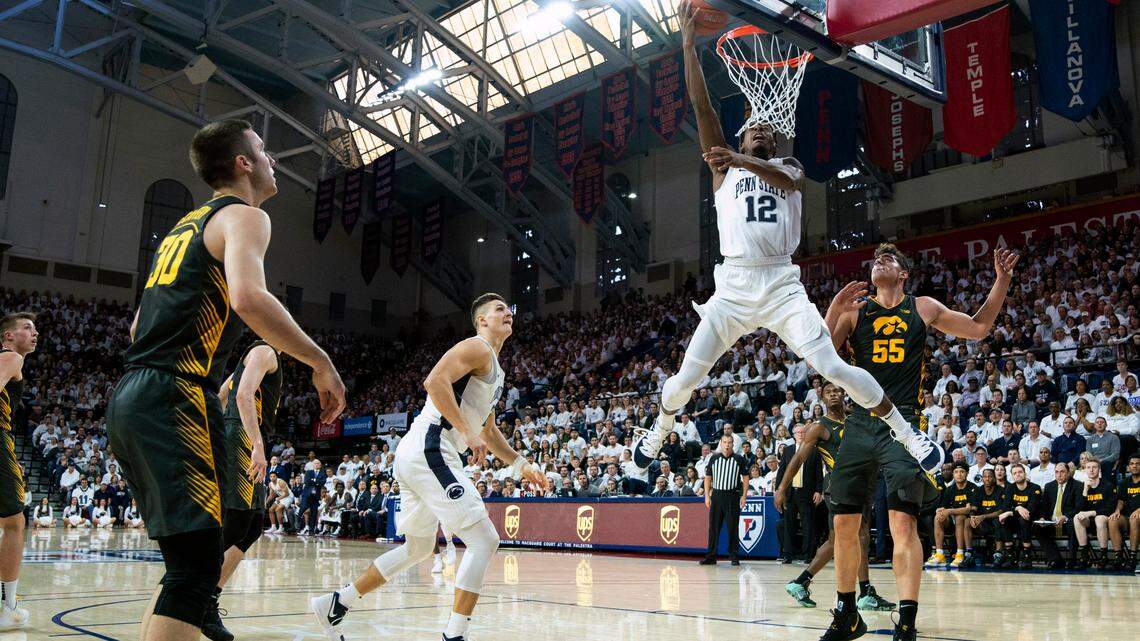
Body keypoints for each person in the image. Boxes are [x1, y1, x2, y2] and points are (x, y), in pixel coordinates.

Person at [633, 2, 948, 504]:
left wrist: (738, 157)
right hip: (734, 288)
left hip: (781, 284)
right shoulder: (723, 170)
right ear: (740, 135)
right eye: (750, 126)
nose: (758, 128)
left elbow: (782, 176)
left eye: (765, 126)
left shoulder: (791, 169)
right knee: (686, 379)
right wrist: (689, 46)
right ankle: (656, 429)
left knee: (834, 368)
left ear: (776, 134)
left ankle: (909, 433)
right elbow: (702, 108)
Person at [106, 119, 346, 641]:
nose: (271, 159)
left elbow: (135, 325)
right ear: (243, 164)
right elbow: (248, 297)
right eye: (263, 150)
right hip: (172, 392)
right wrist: (319, 359)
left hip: (134, 392)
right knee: (196, 569)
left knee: (187, 565)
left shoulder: (186, 225)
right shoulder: (245, 215)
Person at [311, 294, 548, 641]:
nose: (508, 312)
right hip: (431, 445)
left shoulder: (495, 369)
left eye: (508, 308)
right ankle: (455, 635)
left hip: (420, 452)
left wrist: (520, 464)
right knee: (484, 540)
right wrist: (466, 431)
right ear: (481, 320)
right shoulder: (477, 347)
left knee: (418, 548)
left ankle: (336, 603)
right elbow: (434, 381)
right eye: (499, 309)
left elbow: (489, 429)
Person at [822, 243, 1019, 641]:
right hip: (860, 421)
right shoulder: (854, 310)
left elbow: (979, 328)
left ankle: (907, 621)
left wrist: (1001, 281)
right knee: (844, 522)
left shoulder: (923, 307)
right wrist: (832, 312)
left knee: (902, 522)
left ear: (903, 275)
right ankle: (847, 614)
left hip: (904, 424)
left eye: (888, 259)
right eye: (875, 259)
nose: (879, 262)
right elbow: (820, 356)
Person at [776, 382, 894, 611]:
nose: (833, 395)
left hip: (862, 483)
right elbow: (798, 458)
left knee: (836, 540)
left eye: (837, 391)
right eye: (828, 392)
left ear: (844, 394)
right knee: (860, 535)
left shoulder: (854, 418)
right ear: (821, 397)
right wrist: (782, 488)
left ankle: (800, 582)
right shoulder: (819, 427)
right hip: (838, 484)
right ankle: (865, 592)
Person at [201, 341, 284, 641]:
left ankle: (207, 597)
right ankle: (194, 592)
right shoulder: (265, 352)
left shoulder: (254, 357)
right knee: (237, 520)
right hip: (245, 436)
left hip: (238, 433)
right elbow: (242, 395)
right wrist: (255, 443)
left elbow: (222, 394)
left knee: (252, 525)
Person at [0, 311, 37, 628]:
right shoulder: (11, 357)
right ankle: (7, 608)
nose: (34, 333)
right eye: (27, 328)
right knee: (14, 522)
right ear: (9, 336)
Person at [775, 424, 823, 562]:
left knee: (808, 525)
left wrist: (819, 491)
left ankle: (807, 555)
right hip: (790, 493)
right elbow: (781, 472)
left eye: (803, 432)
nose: (801, 434)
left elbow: (819, 474)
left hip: (806, 492)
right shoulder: (788, 450)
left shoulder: (814, 451)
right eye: (798, 432)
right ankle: (788, 555)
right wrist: (779, 491)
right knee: (789, 525)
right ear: (794, 435)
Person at [700, 434, 748, 565]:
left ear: (733, 444)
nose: (727, 445)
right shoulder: (714, 458)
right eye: (725, 442)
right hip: (717, 495)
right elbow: (708, 477)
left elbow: (745, 478)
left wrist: (744, 496)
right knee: (714, 527)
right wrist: (707, 496)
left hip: (732, 496)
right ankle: (711, 556)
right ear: (721, 443)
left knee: (733, 527)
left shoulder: (739, 459)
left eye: (730, 442)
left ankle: (733, 555)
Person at [926, 463, 975, 568]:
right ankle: (939, 554)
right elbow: (944, 507)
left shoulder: (972, 488)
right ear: (953, 474)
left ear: (967, 473)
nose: (959, 474)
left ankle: (960, 554)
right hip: (951, 523)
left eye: (962, 472)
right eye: (956, 472)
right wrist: (941, 511)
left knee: (960, 517)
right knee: (937, 517)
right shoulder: (950, 490)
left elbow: (968, 510)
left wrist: (949, 511)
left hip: (968, 523)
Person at [994, 464, 1042, 569]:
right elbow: (1006, 507)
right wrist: (1018, 508)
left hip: (1031, 521)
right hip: (1015, 521)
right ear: (1012, 476)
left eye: (1020, 472)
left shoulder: (1035, 488)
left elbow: (1031, 511)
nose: (1018, 474)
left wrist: (1011, 511)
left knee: (1023, 519)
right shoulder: (1009, 488)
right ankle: (1010, 556)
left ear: (1025, 474)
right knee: (1002, 519)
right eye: (1015, 473)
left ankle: (1026, 556)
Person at [1072, 458, 1116, 569]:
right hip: (1089, 522)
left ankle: (1103, 556)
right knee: (1077, 518)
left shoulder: (1107, 485)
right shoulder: (1082, 486)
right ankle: (1084, 556)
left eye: (1094, 467)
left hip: (1104, 519)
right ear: (1085, 470)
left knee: (1099, 518)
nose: (1091, 470)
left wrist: (1092, 512)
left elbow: (1110, 508)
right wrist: (1085, 491)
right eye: (1088, 467)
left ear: (1099, 470)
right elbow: (1078, 509)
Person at [1038, 462, 1082, 569]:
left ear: (1068, 473)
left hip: (1068, 521)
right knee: (1037, 528)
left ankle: (1072, 559)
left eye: (1062, 472)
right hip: (1052, 522)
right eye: (1056, 472)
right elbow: (1044, 507)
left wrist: (1065, 517)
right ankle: (1055, 559)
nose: (1059, 475)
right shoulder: (1049, 486)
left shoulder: (1077, 485)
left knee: (1073, 523)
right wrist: (1043, 517)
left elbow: (1079, 508)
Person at [1108, 454, 1140, 569]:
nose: (1134, 466)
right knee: (1112, 520)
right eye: (1132, 464)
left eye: (1137, 464)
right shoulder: (1125, 482)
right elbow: (1121, 500)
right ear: (1128, 467)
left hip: (1137, 517)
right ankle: (1119, 557)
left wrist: (1138, 510)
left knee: (1134, 518)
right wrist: (1117, 510)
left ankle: (1132, 557)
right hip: (1128, 517)